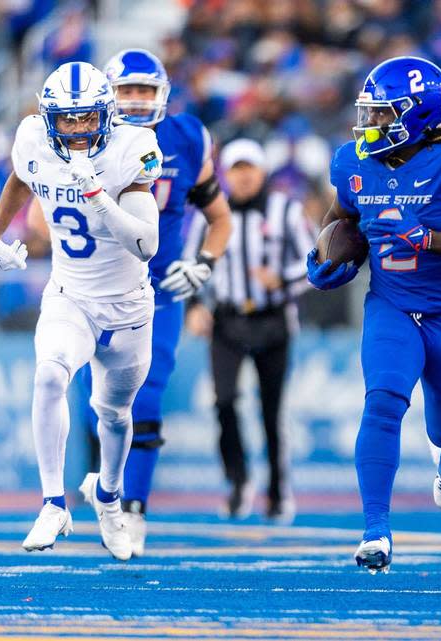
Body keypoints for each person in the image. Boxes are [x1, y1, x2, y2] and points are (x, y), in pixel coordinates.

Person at [306, 56, 441, 573]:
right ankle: (376, 530)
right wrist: (323, 260)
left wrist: (433, 240)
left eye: (382, 113)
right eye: (368, 112)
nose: (369, 124)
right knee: (383, 402)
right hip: (392, 304)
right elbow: (340, 223)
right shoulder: (353, 163)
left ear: (416, 115)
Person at [0, 61, 162, 561]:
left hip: (127, 306)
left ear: (106, 116)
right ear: (48, 119)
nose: (79, 130)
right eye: (68, 119)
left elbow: (147, 243)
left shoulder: (133, 147)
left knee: (115, 414)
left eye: (88, 119)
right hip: (71, 295)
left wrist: (97, 195)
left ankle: (107, 496)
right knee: (48, 376)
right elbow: (23, 176)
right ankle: (53, 501)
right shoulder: (32, 138)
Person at [97, 48, 232, 556]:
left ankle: (134, 507)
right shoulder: (85, 138)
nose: (134, 101)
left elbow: (220, 218)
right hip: (96, 286)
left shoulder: (187, 138)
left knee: (147, 394)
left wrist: (203, 264)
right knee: (99, 401)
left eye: (144, 91)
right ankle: (107, 488)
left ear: (163, 95)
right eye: (126, 91)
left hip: (157, 291)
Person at [183, 138, 313, 523]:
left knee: (271, 411)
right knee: (223, 402)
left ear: (262, 171)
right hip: (227, 320)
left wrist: (282, 279)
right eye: (235, 169)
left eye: (249, 168)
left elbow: (314, 263)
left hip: (273, 319)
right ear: (225, 173)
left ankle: (277, 490)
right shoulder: (209, 213)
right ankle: (238, 482)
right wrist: (194, 307)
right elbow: (191, 265)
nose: (242, 177)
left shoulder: (286, 210)